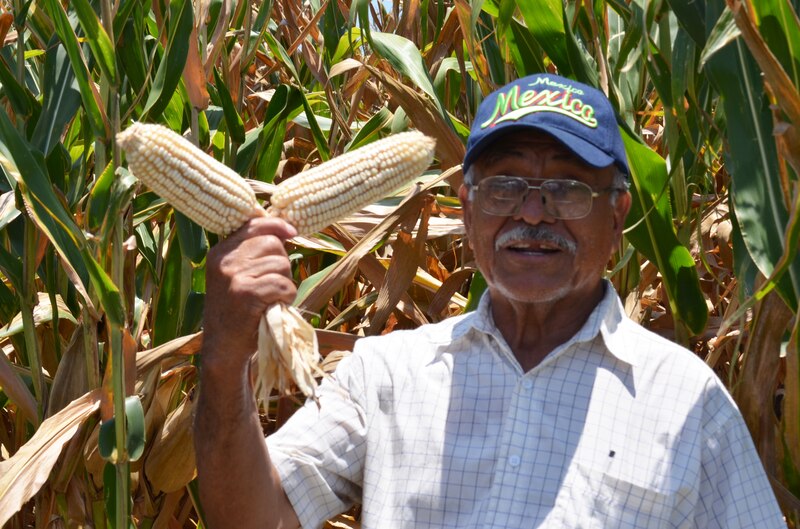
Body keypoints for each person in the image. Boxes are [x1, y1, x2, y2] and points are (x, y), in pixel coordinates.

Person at [193, 73, 786, 529]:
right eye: (505, 186)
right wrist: (224, 356)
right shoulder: (386, 376)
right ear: (467, 207)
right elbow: (253, 517)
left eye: (567, 188)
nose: (532, 213)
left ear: (618, 215)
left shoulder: (685, 401)